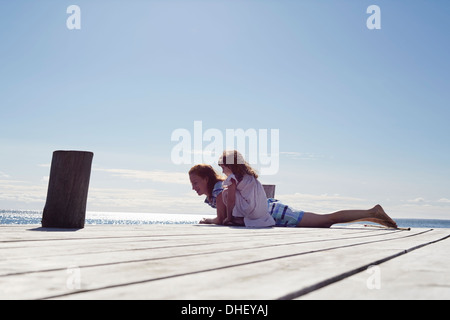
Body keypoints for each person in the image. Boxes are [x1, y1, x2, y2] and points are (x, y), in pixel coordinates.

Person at [189, 150, 397, 229]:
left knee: (326, 220)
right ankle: (371, 214)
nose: (194, 188)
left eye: (196, 183)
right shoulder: (221, 188)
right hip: (270, 211)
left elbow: (225, 216)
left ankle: (372, 213)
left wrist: (214, 220)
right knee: (325, 222)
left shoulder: (219, 190)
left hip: (275, 213)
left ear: (208, 179)